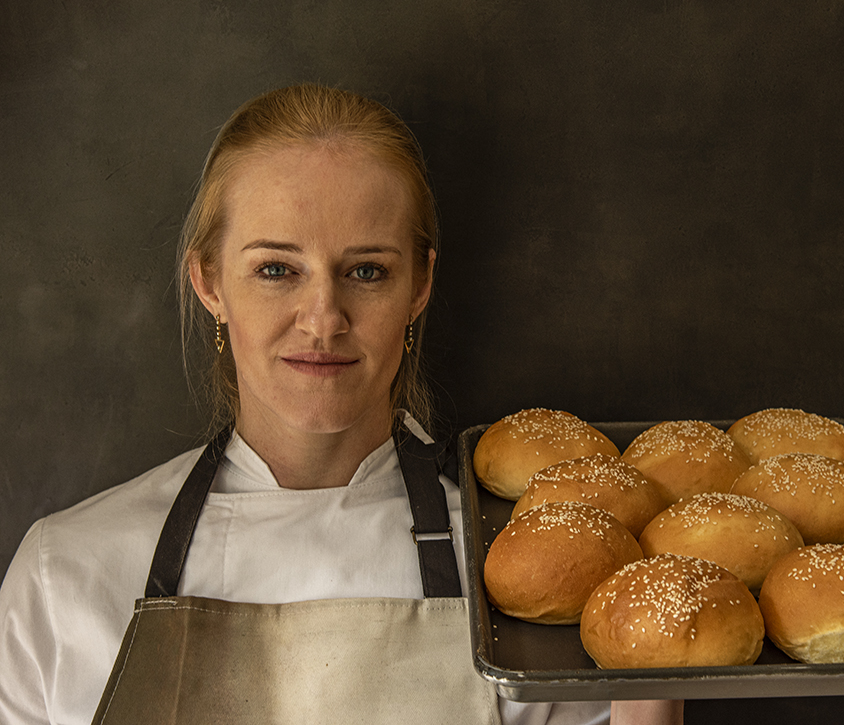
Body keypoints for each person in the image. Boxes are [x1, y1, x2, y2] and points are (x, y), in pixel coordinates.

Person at [0, 84, 683, 725]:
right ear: (209, 280)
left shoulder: (533, 580)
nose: (323, 319)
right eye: (276, 269)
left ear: (419, 286)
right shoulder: (67, 575)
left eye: (366, 271)